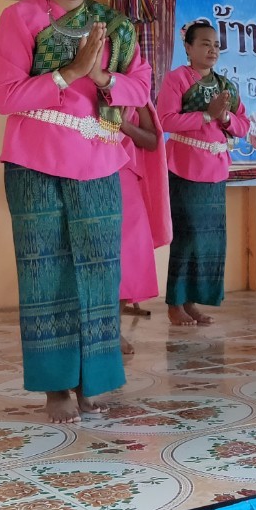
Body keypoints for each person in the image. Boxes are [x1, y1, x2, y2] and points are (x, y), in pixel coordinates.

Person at [0, 0, 151, 423]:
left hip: (100, 163)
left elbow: (141, 89)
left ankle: (92, 381)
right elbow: (4, 96)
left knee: (100, 274)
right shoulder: (21, 20)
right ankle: (56, 387)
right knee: (45, 272)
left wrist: (102, 77)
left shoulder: (116, 27)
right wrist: (68, 73)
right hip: (35, 163)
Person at [159, 20, 250, 326]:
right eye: (204, 44)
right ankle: (175, 302)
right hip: (184, 168)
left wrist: (224, 117)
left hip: (215, 172)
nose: (212, 50)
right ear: (188, 47)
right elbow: (166, 120)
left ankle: (193, 301)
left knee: (210, 241)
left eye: (216, 45)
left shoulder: (226, 86)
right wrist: (204, 115)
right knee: (186, 238)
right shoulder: (177, 80)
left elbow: (243, 126)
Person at [117, 103, 171, 353]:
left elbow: (151, 140)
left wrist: (123, 125)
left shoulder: (134, 91)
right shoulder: (82, 79)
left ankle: (110, 329)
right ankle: (91, 329)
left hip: (124, 173)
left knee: (130, 255)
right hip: (84, 170)